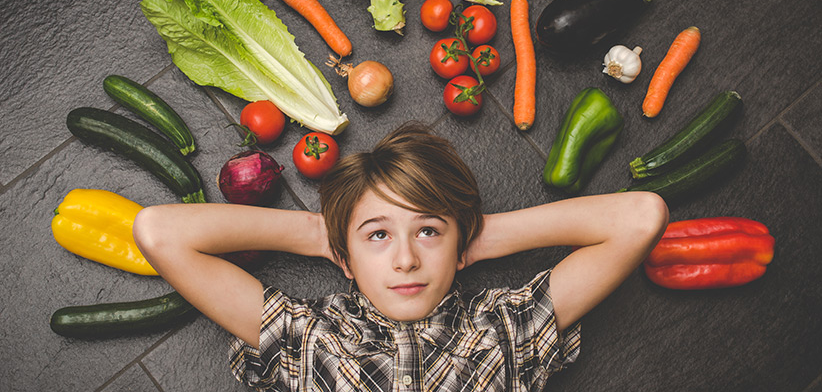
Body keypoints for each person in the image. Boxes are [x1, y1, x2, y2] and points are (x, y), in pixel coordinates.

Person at [133, 122, 669, 391]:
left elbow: (641, 218)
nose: (407, 259)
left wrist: (472, 236)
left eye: (428, 231)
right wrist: (326, 235)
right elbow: (159, 232)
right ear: (346, 258)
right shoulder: (308, 339)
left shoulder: (505, 329)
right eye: (378, 237)